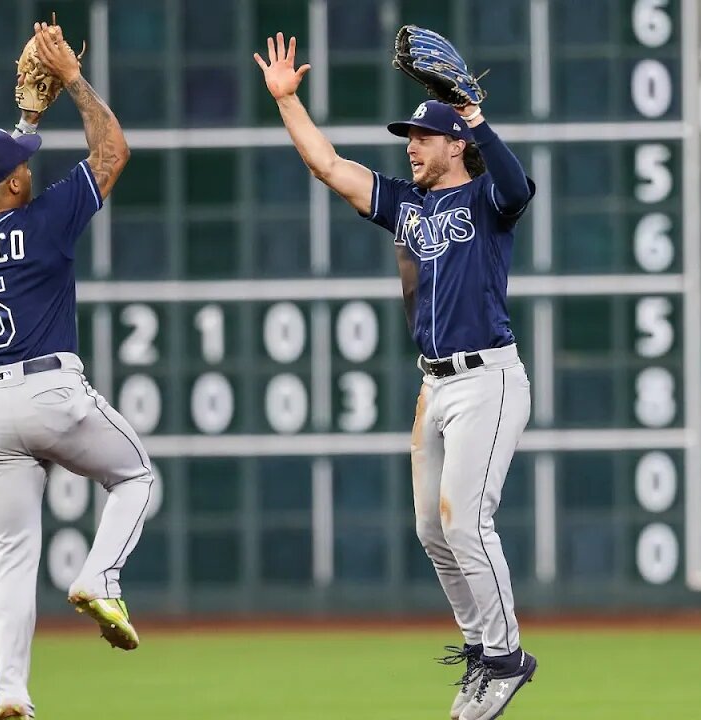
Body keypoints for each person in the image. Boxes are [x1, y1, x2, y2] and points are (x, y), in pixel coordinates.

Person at [255, 31, 538, 720]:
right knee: (433, 531)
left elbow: (518, 186)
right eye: (408, 137)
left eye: (420, 137)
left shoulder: (486, 203)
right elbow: (327, 165)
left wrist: (473, 116)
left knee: (467, 522)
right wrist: (288, 102)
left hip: (488, 380)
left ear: (453, 146)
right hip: (435, 385)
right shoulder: (406, 206)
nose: (409, 146)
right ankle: (478, 651)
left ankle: (506, 657)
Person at [0, 21, 151, 720]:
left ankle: (11, 694)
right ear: (11, 182)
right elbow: (113, 150)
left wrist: (28, 118)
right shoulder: (44, 223)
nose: (32, 167)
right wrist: (73, 81)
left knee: (11, 554)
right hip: (50, 391)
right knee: (135, 477)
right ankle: (99, 576)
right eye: (23, 163)